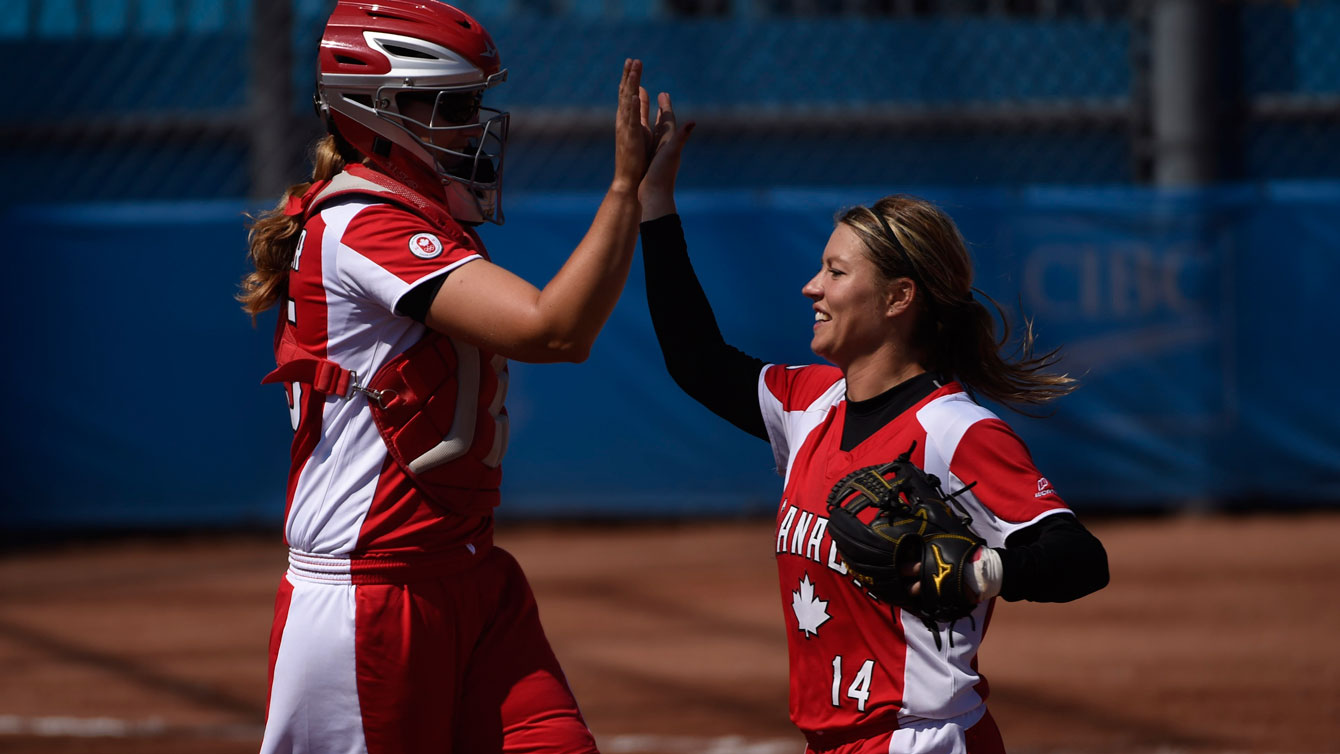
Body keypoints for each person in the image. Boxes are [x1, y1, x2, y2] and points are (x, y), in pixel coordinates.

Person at [238, 2, 675, 751]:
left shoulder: (424, 218)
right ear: (374, 110)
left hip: (472, 576)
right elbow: (553, 330)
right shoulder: (359, 224)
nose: (472, 126)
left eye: (472, 104)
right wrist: (623, 188)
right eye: (452, 106)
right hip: (371, 598)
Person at [637, 114, 1110, 753]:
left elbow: (1080, 558)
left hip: (920, 740)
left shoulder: (954, 429)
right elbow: (693, 356)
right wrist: (653, 201)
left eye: (836, 272)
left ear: (898, 297)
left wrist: (979, 572)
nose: (812, 287)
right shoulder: (807, 404)